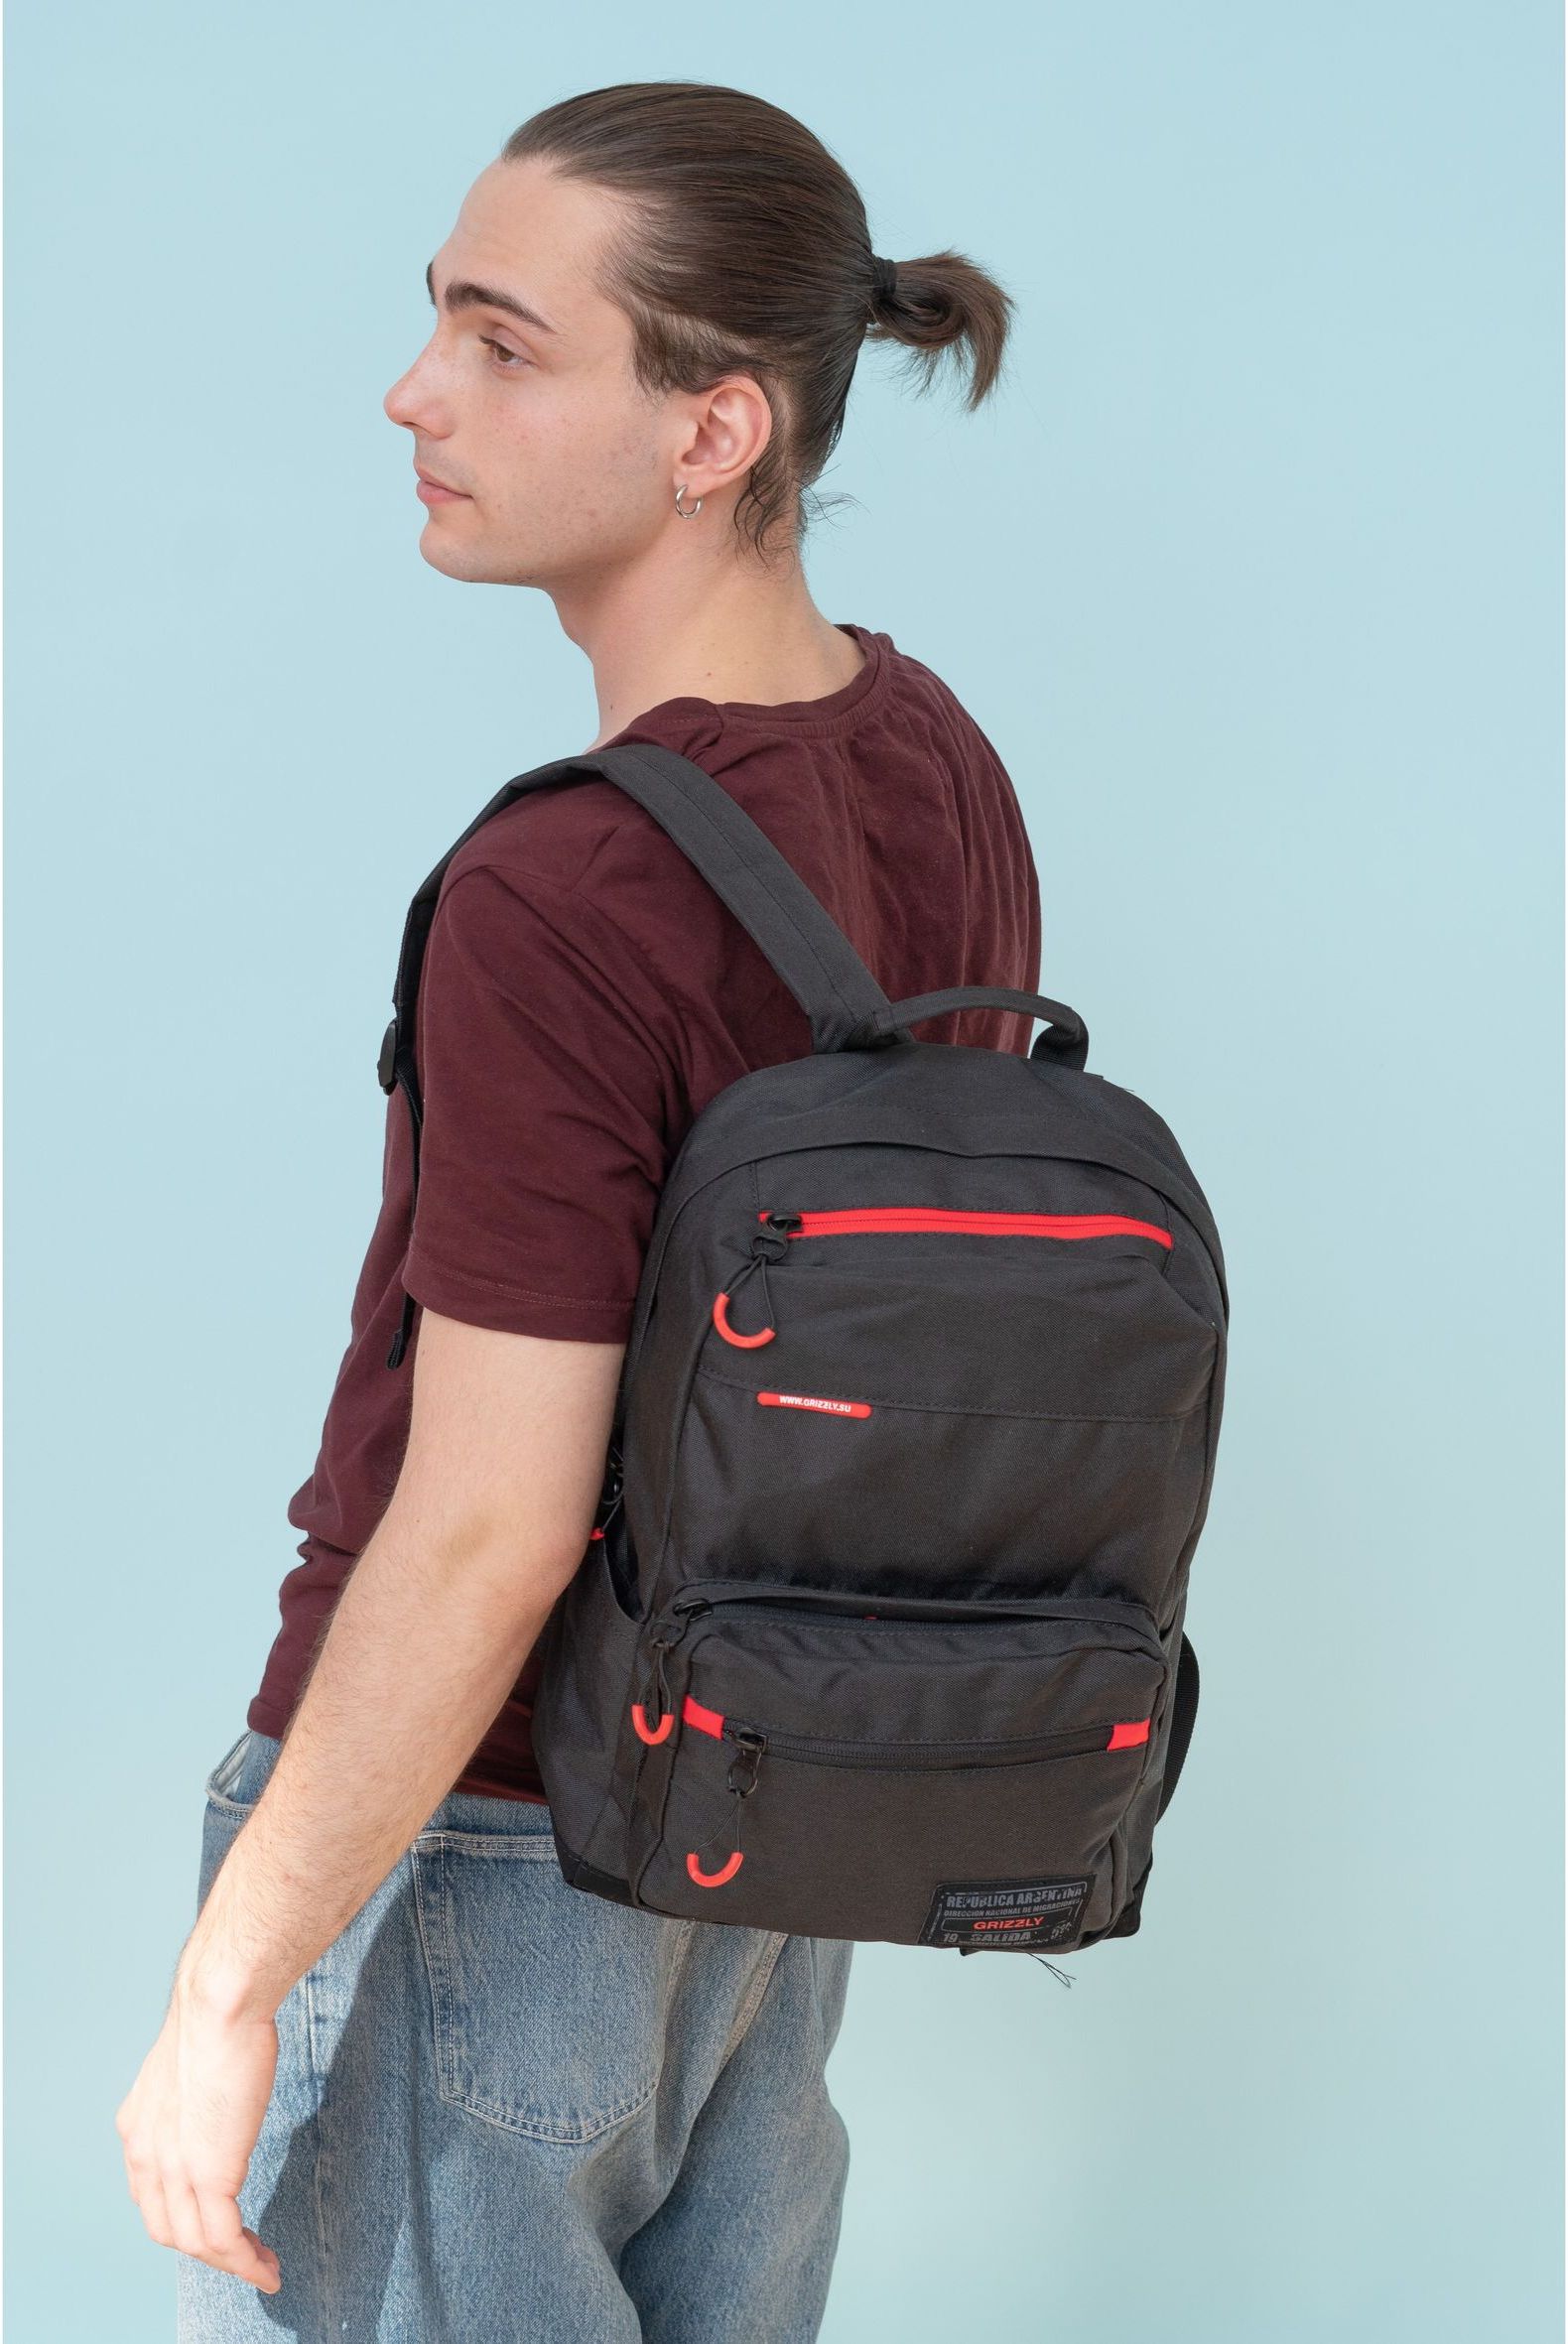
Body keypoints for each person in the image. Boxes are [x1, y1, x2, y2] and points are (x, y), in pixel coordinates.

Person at [116, 78, 1040, 2343]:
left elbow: (488, 1523)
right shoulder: (941, 766)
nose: (415, 392)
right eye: (438, 317)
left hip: (489, 1832)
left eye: (504, 344)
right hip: (767, 1822)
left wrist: (234, 1974)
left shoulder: (563, 885)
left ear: (715, 429)